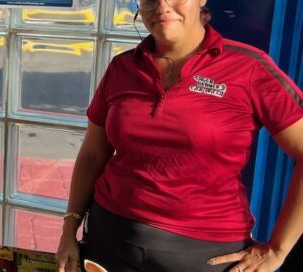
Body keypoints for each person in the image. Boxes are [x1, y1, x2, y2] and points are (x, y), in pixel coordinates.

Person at [55, 0, 303, 271]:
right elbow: (93, 154)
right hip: (110, 241)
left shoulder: (248, 67)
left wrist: (278, 249)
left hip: (203, 253)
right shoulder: (122, 67)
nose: (162, 6)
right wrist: (70, 228)